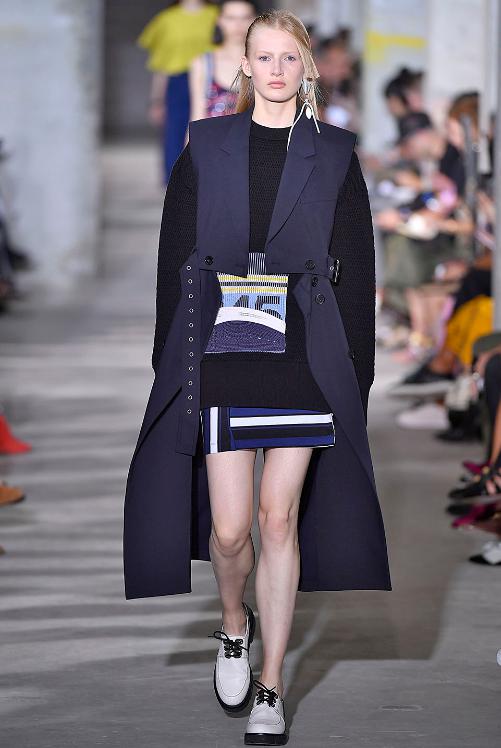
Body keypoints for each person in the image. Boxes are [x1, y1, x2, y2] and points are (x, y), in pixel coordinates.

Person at [123, 9, 391, 746]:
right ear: (243, 65)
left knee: (278, 519)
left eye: (288, 57)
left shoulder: (334, 153)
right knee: (230, 528)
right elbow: (175, 255)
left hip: (305, 352)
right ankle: (233, 623)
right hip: (222, 347)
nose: (275, 70)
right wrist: (168, 363)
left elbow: (356, 269)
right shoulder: (207, 145)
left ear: (307, 66)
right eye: (263, 57)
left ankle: (272, 682)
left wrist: (356, 378)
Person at [137, 0, 219, 183]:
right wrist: (156, 100)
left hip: (213, 79)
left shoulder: (218, 15)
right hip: (178, 83)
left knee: (211, 131)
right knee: (174, 134)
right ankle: (176, 185)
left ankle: (209, 181)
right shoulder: (166, 20)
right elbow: (161, 65)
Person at [189, 0, 257, 121]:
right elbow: (197, 114)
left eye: (245, 18)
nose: (238, 25)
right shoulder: (203, 63)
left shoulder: (267, 61)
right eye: (231, 18)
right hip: (212, 133)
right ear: (219, 20)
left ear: (255, 20)